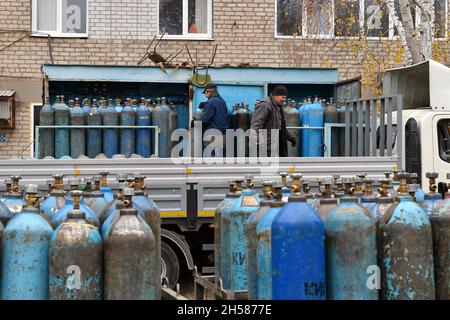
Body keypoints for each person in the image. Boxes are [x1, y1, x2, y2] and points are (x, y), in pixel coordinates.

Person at [250, 85, 296, 157]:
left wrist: (290, 138)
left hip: (273, 149)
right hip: (264, 150)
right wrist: (262, 147)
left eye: (285, 98)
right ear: (276, 95)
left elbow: (280, 127)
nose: (284, 100)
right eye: (283, 97)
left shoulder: (277, 107)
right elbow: (255, 128)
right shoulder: (265, 105)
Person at [192, 83, 228, 156]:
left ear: (208, 92)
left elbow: (205, 119)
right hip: (223, 135)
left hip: (213, 136)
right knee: (218, 159)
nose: (205, 96)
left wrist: (195, 122)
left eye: (205, 93)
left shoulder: (210, 102)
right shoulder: (222, 102)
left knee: (210, 161)